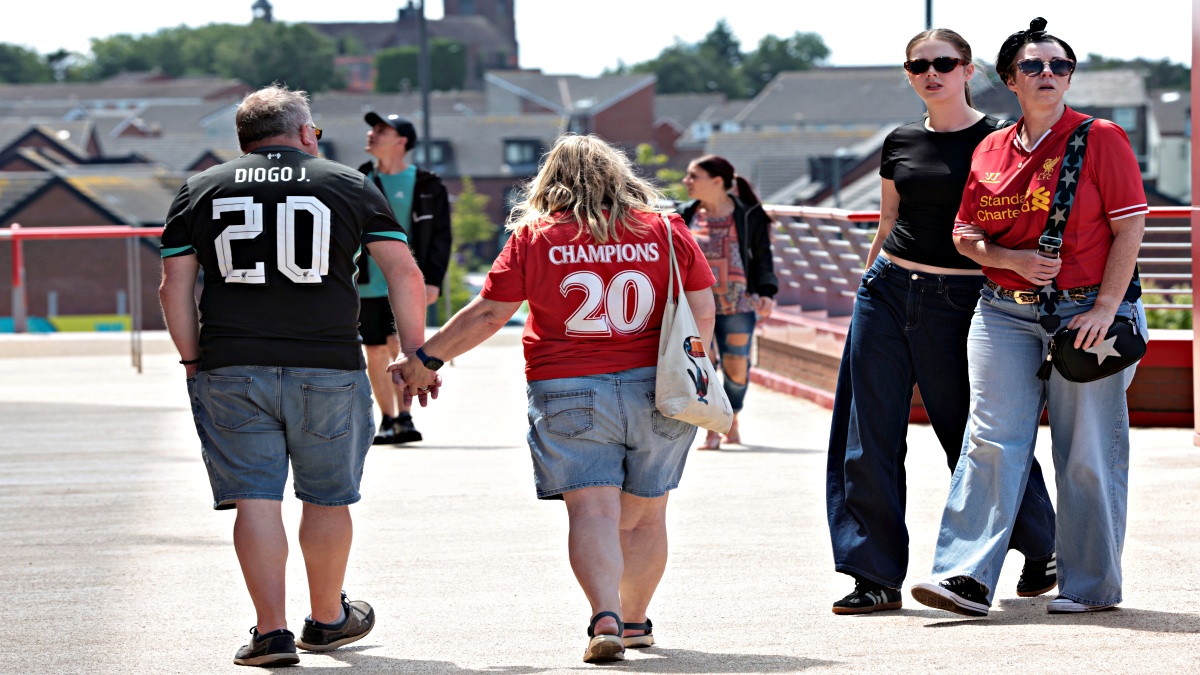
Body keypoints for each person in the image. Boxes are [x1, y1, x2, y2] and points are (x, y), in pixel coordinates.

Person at [391, 134, 716, 663]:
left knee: (592, 512)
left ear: (551, 180)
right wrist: (688, 372)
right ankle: (636, 621)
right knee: (646, 516)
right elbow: (702, 309)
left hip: (567, 387)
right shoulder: (665, 229)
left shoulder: (536, 236)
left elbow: (489, 314)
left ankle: (605, 617)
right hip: (657, 387)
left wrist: (425, 360)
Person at [158, 85, 438, 666]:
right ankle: (328, 619)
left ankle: (271, 632)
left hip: (231, 363)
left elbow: (173, 286)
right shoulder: (349, 183)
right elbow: (404, 272)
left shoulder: (201, 188)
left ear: (244, 138)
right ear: (305, 132)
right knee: (327, 498)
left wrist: (191, 359)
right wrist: (416, 353)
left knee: (255, 500)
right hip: (328, 364)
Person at [911, 18, 1147, 617]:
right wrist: (1007, 258)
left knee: (1086, 450)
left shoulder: (1101, 138)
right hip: (1002, 311)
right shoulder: (990, 147)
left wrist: (1105, 307)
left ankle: (1090, 587)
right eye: (1034, 66)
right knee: (989, 440)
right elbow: (965, 234)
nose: (1049, 74)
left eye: (1060, 66)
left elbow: (1129, 229)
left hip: (1086, 313)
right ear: (1010, 80)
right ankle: (964, 576)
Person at [825, 28, 1059, 616]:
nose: (931, 73)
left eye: (944, 63)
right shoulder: (900, 141)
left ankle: (1041, 544)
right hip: (886, 293)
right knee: (867, 435)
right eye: (918, 65)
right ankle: (872, 575)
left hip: (964, 300)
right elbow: (889, 221)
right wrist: (866, 285)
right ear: (908, 74)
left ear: (968, 70)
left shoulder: (1001, 140)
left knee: (973, 435)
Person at [357, 112, 452, 445]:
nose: (372, 134)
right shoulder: (359, 179)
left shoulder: (428, 184)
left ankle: (406, 416)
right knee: (375, 352)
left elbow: (441, 236)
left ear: (402, 141)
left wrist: (433, 279)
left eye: (381, 129)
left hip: (408, 282)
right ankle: (387, 420)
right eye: (372, 128)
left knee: (399, 346)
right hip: (366, 282)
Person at [677, 156, 777, 449]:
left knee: (736, 369)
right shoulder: (684, 214)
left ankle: (731, 418)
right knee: (703, 369)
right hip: (695, 308)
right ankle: (712, 428)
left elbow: (762, 255)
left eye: (693, 176)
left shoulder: (748, 214)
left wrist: (767, 291)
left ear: (717, 181)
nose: (686, 181)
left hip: (738, 305)